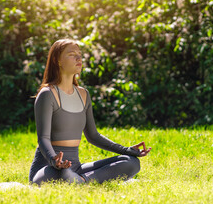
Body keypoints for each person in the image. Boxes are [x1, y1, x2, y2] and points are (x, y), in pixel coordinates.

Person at [29, 39, 151, 185]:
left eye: (80, 55)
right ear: (57, 60)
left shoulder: (83, 94)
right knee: (63, 173)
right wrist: (54, 160)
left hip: (75, 168)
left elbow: (93, 135)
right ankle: (82, 181)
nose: (79, 58)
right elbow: (43, 138)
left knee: (131, 162)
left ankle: (82, 181)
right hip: (49, 168)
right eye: (72, 54)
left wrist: (126, 150)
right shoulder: (47, 94)